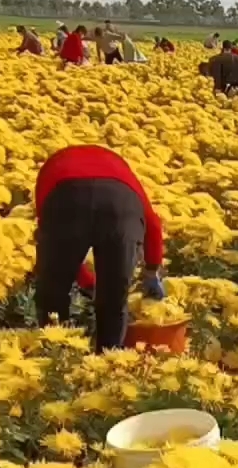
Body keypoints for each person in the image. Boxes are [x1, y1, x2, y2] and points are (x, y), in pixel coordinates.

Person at [34, 145, 165, 353]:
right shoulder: (123, 172)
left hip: (67, 196)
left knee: (53, 294)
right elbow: (154, 225)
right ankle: (107, 368)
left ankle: (56, 358)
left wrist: (86, 282)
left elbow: (54, 246)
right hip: (122, 204)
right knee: (114, 302)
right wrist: (151, 271)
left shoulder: (53, 167)